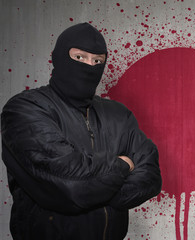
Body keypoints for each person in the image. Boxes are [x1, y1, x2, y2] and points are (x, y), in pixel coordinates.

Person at [1, 22, 162, 240]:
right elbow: (70, 187)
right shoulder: (25, 109)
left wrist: (94, 190)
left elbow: (150, 177)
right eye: (79, 57)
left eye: (97, 61)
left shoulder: (119, 114)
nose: (89, 66)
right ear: (57, 57)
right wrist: (123, 165)